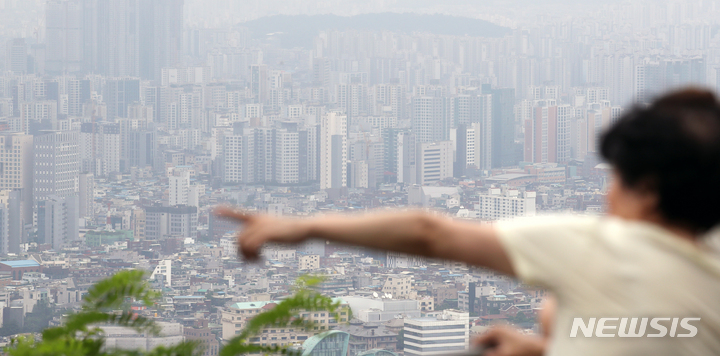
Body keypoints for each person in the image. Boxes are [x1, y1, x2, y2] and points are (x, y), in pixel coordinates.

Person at [219, 88, 720, 356]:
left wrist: (307, 226)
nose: (608, 194)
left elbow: (430, 233)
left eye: (619, 179)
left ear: (649, 190)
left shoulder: (604, 249)